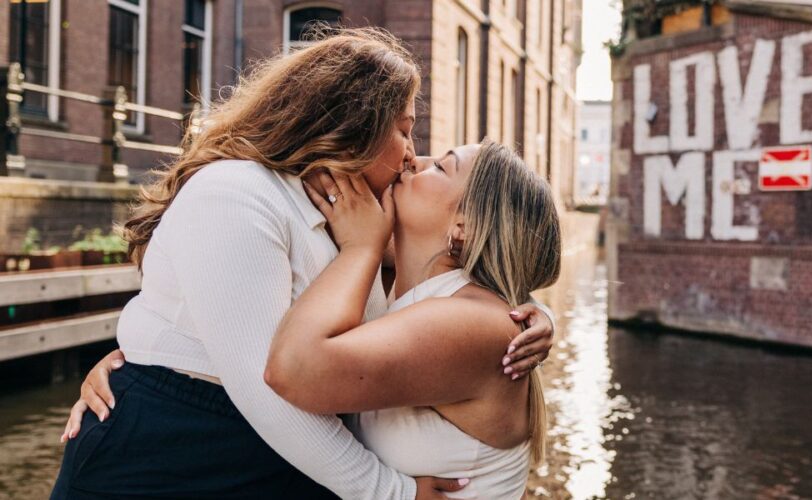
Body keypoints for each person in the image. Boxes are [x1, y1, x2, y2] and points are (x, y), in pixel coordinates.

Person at [51, 28, 553, 500]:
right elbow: (264, 381)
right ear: (355, 126)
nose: (411, 156)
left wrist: (530, 312)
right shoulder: (239, 194)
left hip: (285, 454)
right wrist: (134, 354)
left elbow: (470, 295)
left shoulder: (362, 231)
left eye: (435, 162)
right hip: (166, 455)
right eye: (404, 131)